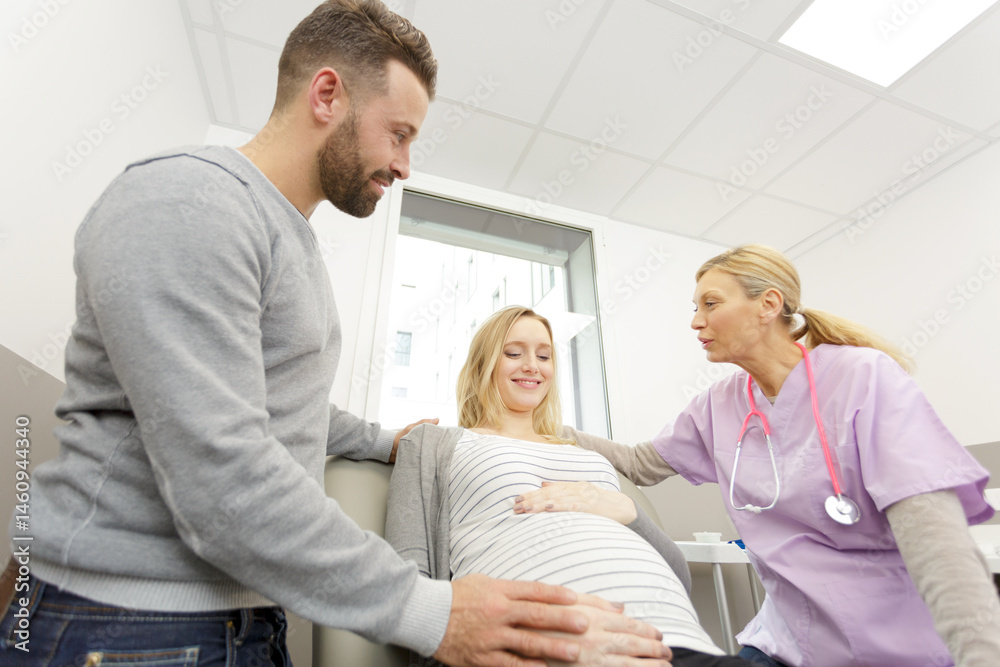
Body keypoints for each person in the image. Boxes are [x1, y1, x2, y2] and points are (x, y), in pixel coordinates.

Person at [0, 2, 671, 666]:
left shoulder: (291, 245)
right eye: (399, 134)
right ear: (327, 95)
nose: (404, 164)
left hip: (241, 624)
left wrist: (384, 441)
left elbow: (271, 401)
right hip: (129, 628)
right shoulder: (191, 200)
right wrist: (432, 611)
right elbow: (222, 481)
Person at [516, 244, 1000, 667]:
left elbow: (938, 545)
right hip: (785, 642)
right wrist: (534, 421)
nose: (696, 321)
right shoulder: (719, 404)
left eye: (710, 303)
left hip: (896, 645)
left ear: (768, 304)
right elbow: (640, 463)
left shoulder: (863, 378)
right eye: (695, 307)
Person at [387, 306, 761, 667]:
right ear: (481, 364)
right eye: (514, 353)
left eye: (544, 356)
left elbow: (679, 575)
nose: (532, 366)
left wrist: (629, 513)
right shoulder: (432, 444)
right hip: (558, 647)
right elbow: (410, 589)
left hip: (678, 639)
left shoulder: (575, 443)